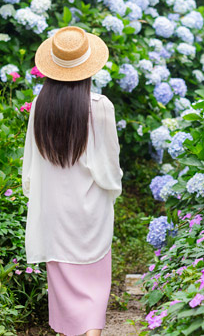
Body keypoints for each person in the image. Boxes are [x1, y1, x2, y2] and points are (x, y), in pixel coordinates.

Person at [22, 26, 123, 336]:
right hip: (89, 215)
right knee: (92, 301)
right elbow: (109, 170)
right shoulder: (99, 107)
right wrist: (113, 192)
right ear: (88, 66)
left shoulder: (40, 107)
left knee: (66, 304)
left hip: (54, 217)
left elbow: (30, 167)